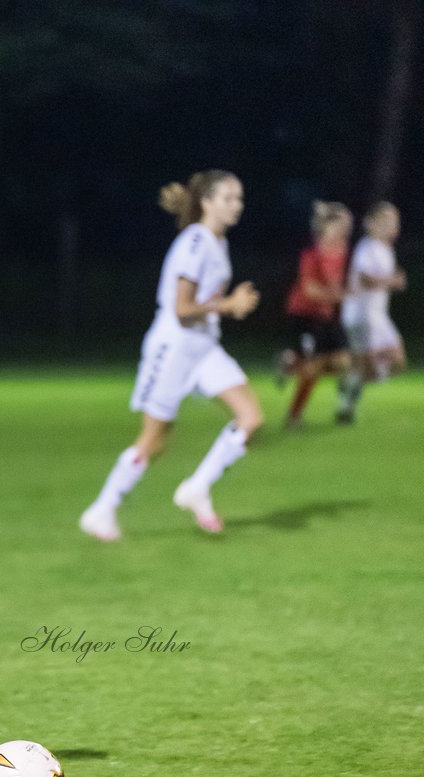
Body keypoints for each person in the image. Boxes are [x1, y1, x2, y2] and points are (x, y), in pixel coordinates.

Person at [80, 170, 262, 540]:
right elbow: (182, 308)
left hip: (204, 347)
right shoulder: (195, 242)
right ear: (207, 202)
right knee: (154, 441)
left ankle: (197, 488)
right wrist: (229, 305)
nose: (236, 206)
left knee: (250, 418)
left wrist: (227, 307)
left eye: (239, 198)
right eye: (228, 198)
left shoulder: (217, 242)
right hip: (175, 346)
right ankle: (102, 509)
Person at [281, 201, 353, 427]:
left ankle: (290, 362)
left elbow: (337, 286)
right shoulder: (312, 253)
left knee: (343, 363)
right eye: (341, 223)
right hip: (304, 315)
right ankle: (294, 415)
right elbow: (309, 291)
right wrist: (338, 296)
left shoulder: (342, 251)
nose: (346, 228)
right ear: (327, 225)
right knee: (311, 371)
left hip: (326, 316)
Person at [336, 202, 407, 423]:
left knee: (396, 363)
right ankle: (348, 392)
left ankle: (348, 390)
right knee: (380, 365)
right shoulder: (366, 246)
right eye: (385, 220)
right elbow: (365, 278)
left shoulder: (386, 249)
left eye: (393, 221)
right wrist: (392, 281)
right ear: (371, 223)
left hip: (377, 316)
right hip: (362, 316)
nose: (390, 225)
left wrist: (393, 280)